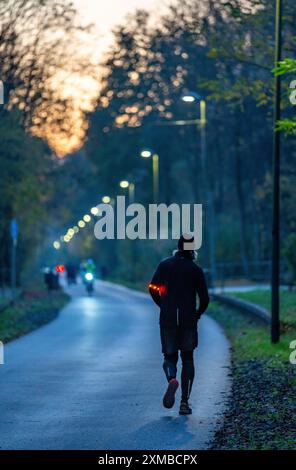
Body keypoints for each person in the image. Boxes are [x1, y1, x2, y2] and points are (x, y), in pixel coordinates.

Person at [149, 234, 209, 415]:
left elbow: (152, 288)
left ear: (178, 247)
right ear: (193, 249)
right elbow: (205, 299)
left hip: (167, 319)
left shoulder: (165, 265)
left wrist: (163, 305)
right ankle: (184, 403)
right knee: (188, 358)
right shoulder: (195, 270)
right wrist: (197, 314)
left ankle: (171, 380)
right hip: (188, 320)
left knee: (169, 357)